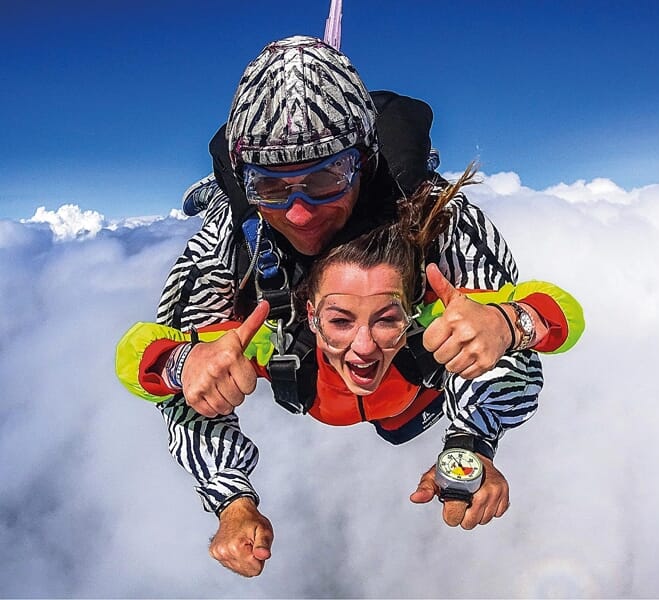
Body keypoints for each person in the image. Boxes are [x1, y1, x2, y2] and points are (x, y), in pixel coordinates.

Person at [133, 34, 575, 577]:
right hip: (315, 381)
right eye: (272, 186)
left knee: (402, 424)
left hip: (409, 386)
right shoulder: (232, 241)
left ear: (363, 163)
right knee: (229, 379)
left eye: (323, 179)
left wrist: (476, 423)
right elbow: (149, 362)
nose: (298, 214)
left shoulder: (438, 221)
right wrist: (228, 490)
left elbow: (545, 322)